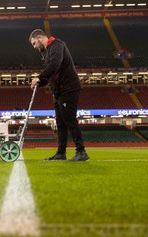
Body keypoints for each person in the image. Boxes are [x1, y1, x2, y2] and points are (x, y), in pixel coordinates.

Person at [29, 29, 89, 161]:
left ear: (40, 38)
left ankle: (81, 151)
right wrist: (40, 82)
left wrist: (39, 77)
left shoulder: (57, 45)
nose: (34, 47)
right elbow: (50, 73)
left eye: (34, 43)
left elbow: (54, 65)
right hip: (59, 92)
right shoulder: (46, 52)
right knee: (60, 123)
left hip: (69, 88)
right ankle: (61, 153)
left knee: (69, 120)